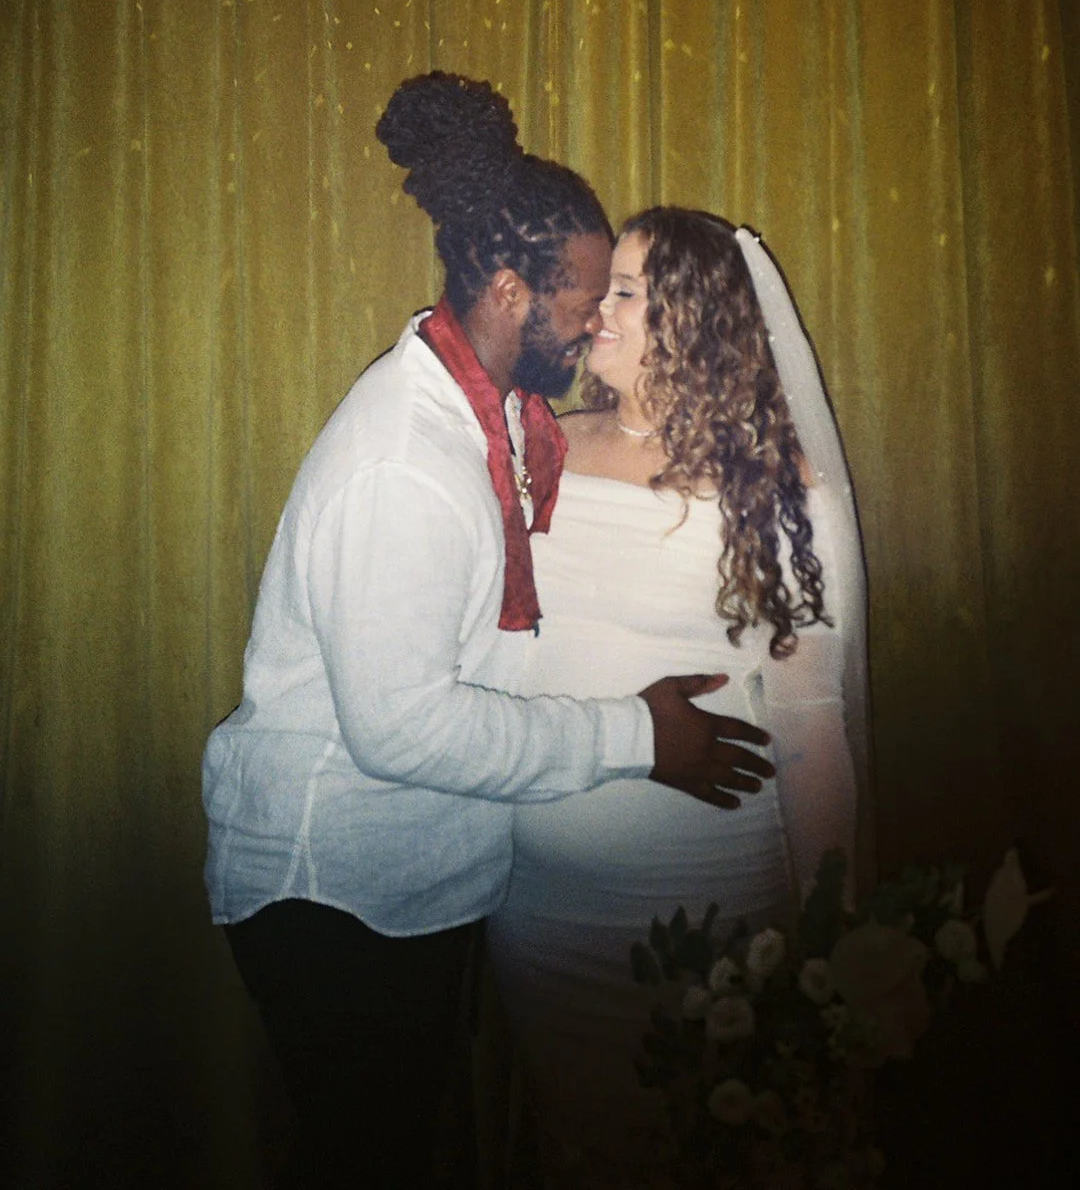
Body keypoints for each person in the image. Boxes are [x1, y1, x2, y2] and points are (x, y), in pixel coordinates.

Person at [201, 82, 775, 1189]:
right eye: (589, 294)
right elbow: (403, 731)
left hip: (414, 880)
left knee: (423, 1141)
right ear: (512, 289)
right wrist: (638, 737)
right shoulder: (403, 467)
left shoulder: (496, 410)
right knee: (372, 1156)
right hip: (336, 892)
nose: (600, 320)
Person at [486, 207, 872, 1187]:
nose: (595, 307)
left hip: (707, 913)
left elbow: (809, 733)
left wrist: (830, 939)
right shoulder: (539, 449)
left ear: (696, 318)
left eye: (625, 289)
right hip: (538, 918)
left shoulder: (776, 491)